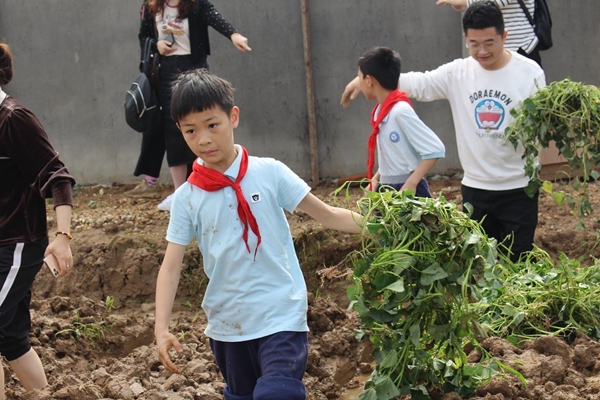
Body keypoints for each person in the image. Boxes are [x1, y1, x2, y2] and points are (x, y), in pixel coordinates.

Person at [155, 69, 364, 399]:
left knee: (278, 393)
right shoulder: (187, 197)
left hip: (281, 313)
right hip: (228, 324)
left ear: (233, 117)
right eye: (190, 131)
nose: (204, 139)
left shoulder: (270, 172)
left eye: (212, 125)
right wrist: (161, 328)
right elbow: (170, 267)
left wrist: (385, 224)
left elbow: (327, 214)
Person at [341, 1, 545, 261]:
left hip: (519, 187)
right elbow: (418, 82)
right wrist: (366, 80)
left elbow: (542, 120)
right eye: (474, 44)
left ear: (504, 37)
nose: (482, 51)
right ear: (466, 38)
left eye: (490, 43)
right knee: (480, 261)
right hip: (476, 188)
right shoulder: (458, 73)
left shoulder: (529, 72)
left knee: (518, 258)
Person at [0, 43, 75, 399]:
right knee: (10, 336)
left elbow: (57, 177)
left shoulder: (13, 118)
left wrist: (62, 235)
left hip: (16, 245)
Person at [125, 0, 251, 212]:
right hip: (165, 72)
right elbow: (143, 35)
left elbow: (214, 18)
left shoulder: (195, 4)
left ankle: (205, 185)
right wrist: (156, 45)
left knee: (201, 125)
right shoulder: (152, 6)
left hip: (194, 68)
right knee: (173, 129)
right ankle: (180, 193)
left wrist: (234, 35)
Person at [356, 46, 445, 197]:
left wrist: (411, 183)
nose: (359, 83)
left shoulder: (400, 110)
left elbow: (435, 149)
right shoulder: (380, 111)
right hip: (386, 187)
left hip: (407, 189)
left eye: (360, 78)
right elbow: (394, 155)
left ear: (369, 80)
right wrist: (376, 180)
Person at [436, 0, 542, 67]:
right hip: (490, 48)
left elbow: (498, 2)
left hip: (519, 46)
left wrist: (463, 1)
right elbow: (477, 7)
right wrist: (458, 5)